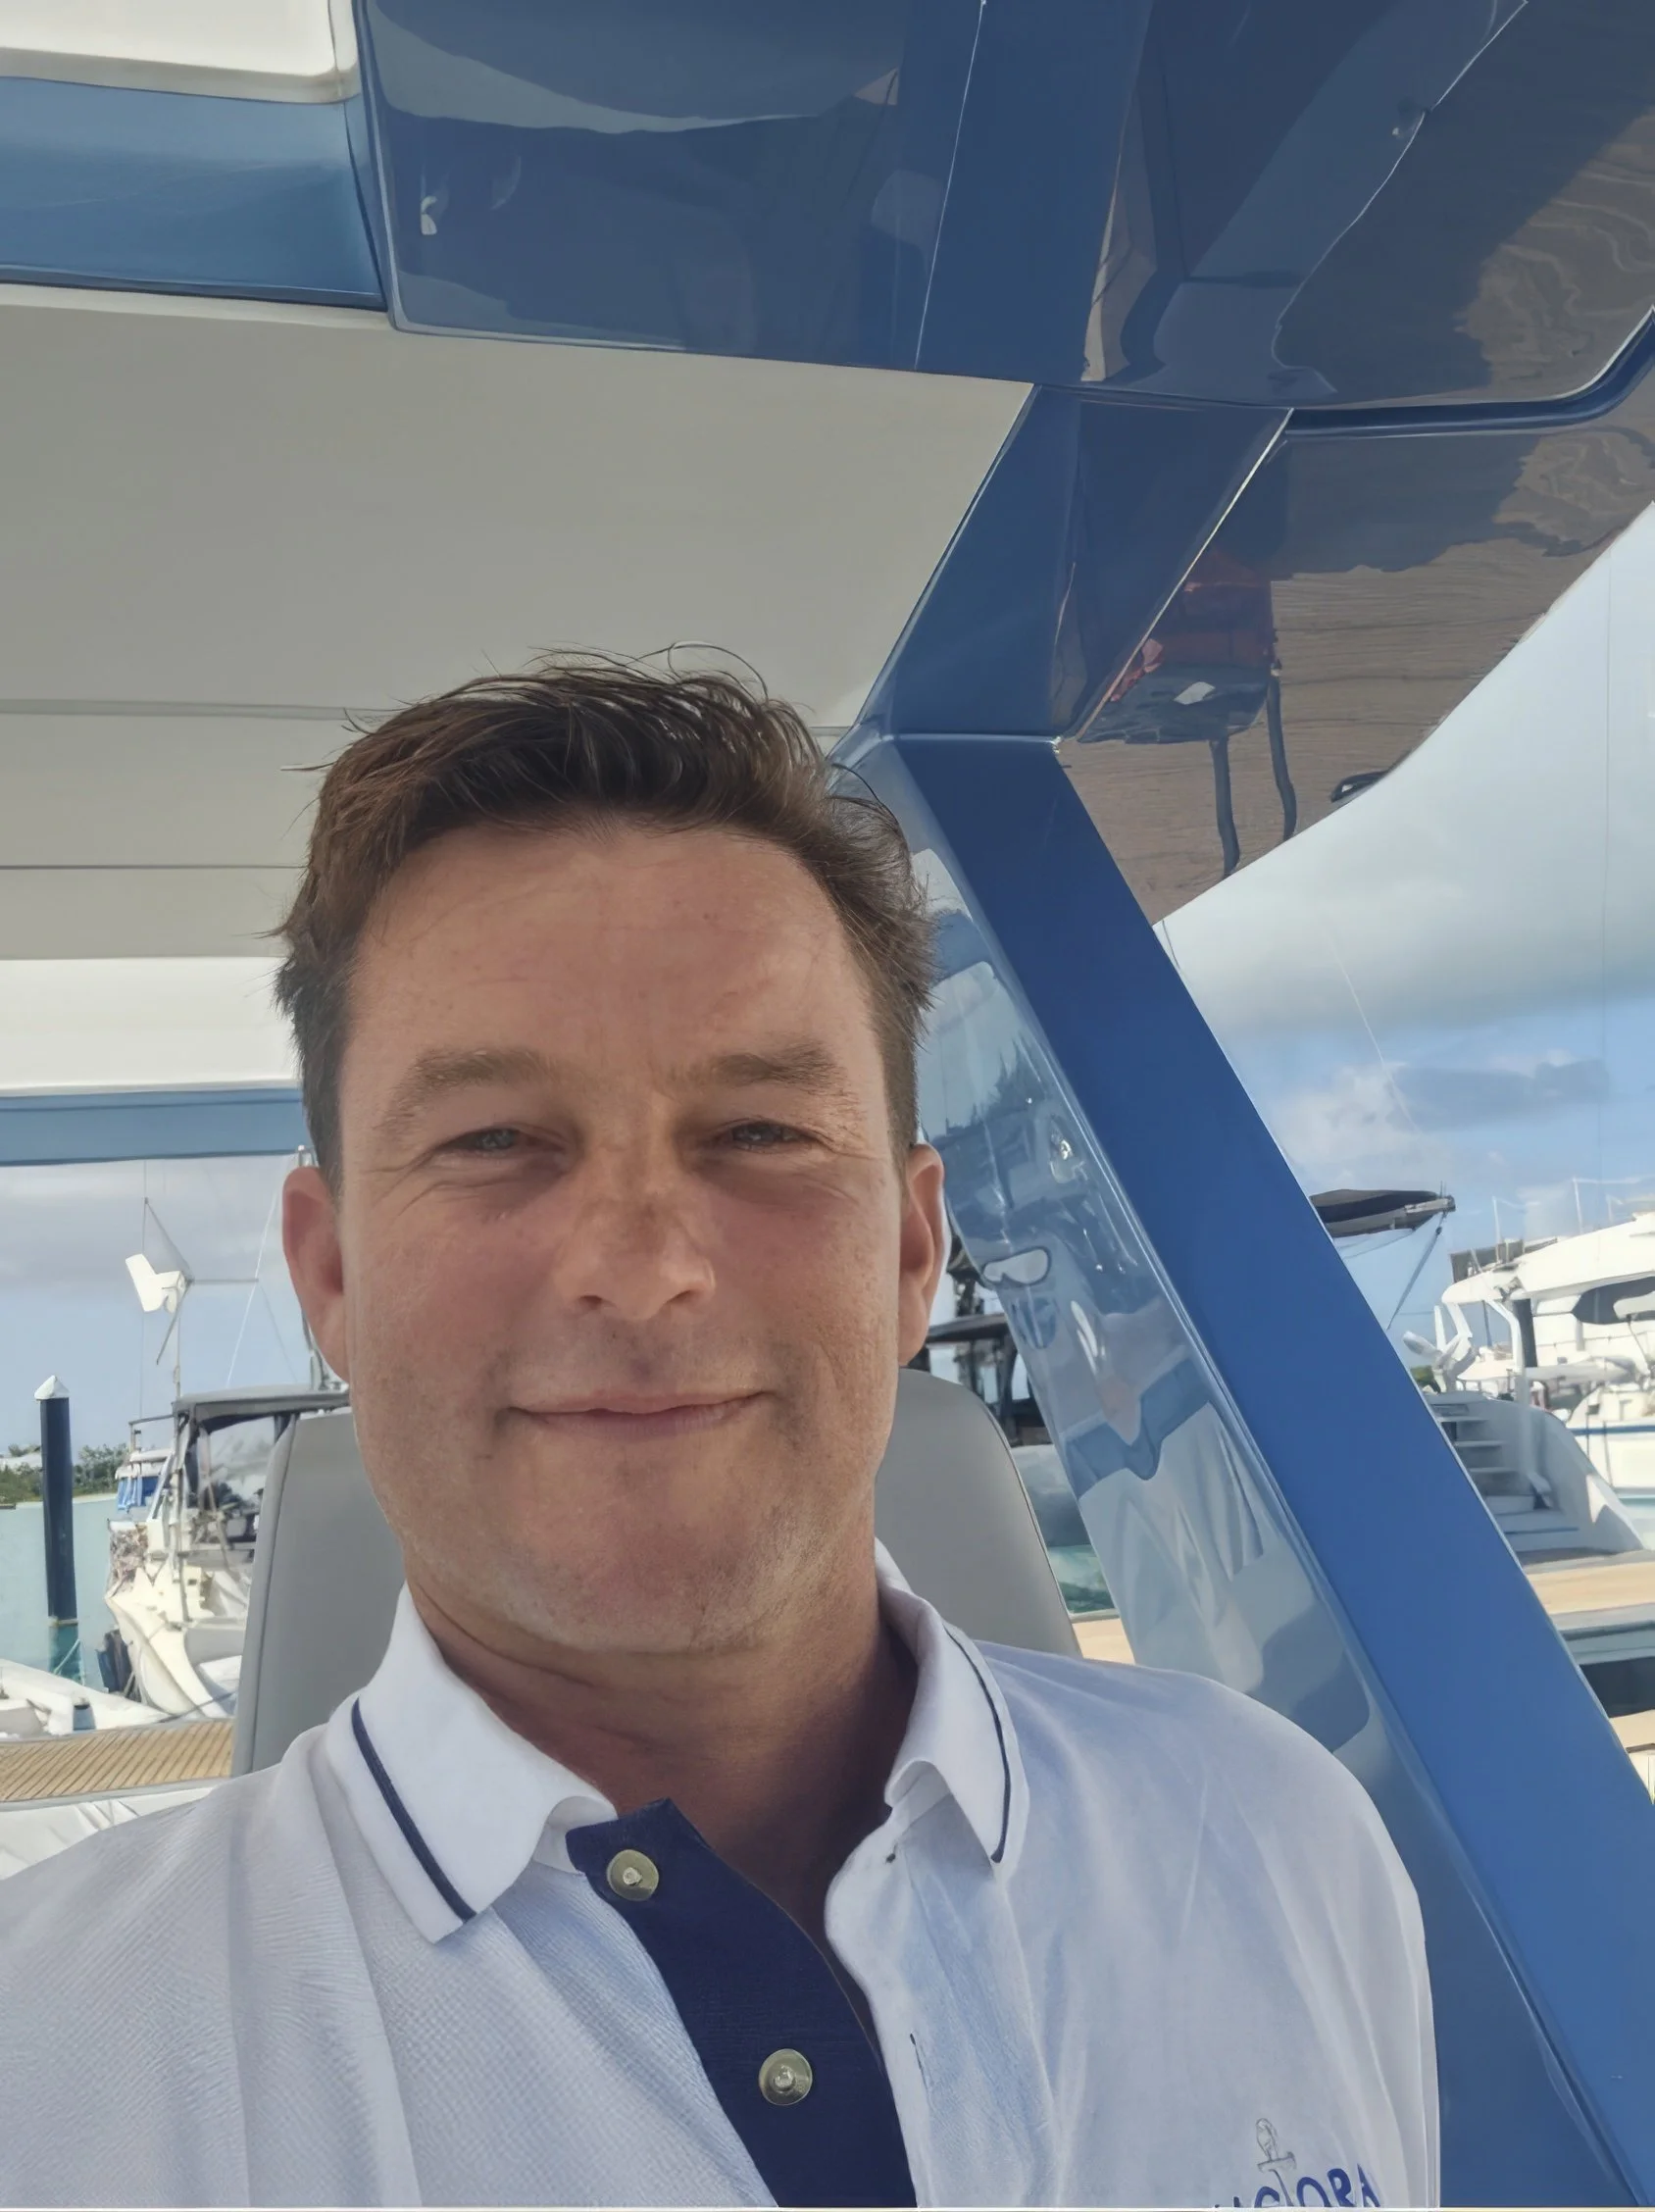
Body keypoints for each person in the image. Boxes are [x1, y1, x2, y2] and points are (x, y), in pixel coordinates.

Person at [0, 663, 1436, 2207]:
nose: (644, 1261)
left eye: (760, 1132)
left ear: (907, 1251)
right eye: (494, 1141)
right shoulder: (57, 2059)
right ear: (330, 1272)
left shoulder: (1281, 1842)